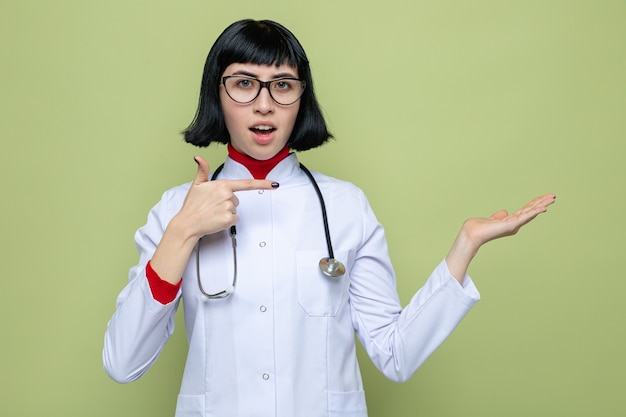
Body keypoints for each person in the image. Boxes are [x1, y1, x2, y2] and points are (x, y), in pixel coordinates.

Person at [103, 19, 556, 417]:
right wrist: (183, 231)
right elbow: (122, 363)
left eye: (282, 84)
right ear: (216, 94)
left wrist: (465, 246)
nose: (264, 104)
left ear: (302, 97)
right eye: (244, 83)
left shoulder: (345, 206)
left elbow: (395, 355)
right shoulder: (175, 209)